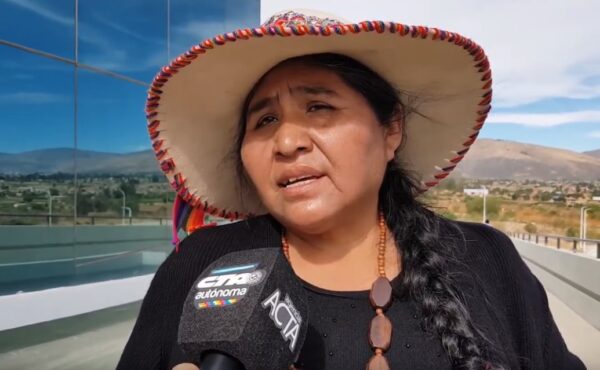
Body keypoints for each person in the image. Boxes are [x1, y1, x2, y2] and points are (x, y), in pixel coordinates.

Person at [117, 10, 585, 370]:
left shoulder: (485, 258)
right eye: (264, 121)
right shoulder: (202, 264)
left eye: (318, 107)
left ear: (391, 130)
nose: (287, 141)